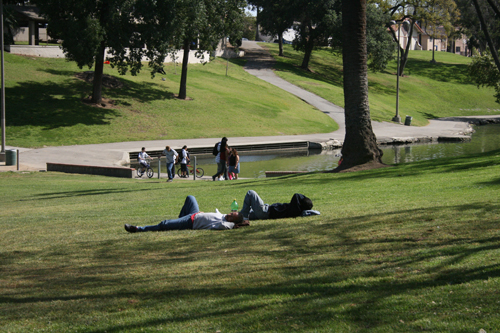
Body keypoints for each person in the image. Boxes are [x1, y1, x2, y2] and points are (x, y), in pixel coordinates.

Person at [124, 195, 249, 232]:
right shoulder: (222, 216)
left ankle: (138, 229)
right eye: (232, 213)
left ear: (232, 221)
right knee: (191, 198)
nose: (230, 214)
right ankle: (179, 221)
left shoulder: (223, 224)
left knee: (164, 224)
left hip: (191, 222)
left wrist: (237, 225)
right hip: (194, 214)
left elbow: (225, 226)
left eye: (232, 216)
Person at [239, 190, 317, 221]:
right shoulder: (296, 209)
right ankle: (241, 217)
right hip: (266, 211)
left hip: (265, 212)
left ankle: (244, 217)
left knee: (251, 193)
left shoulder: (295, 208)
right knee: (239, 215)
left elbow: (296, 195)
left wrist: (304, 197)